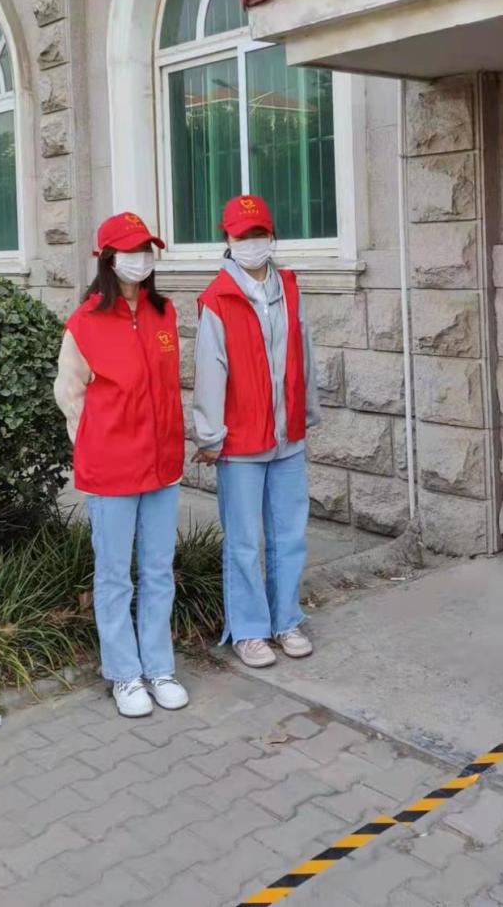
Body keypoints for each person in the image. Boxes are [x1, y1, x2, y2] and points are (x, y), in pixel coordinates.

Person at [54, 212, 187, 718]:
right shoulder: (85, 323)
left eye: (147, 250)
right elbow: (69, 394)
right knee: (114, 576)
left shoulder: (163, 313)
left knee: (158, 571)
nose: (141, 260)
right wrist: (96, 443)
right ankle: (124, 674)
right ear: (108, 259)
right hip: (112, 470)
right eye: (131, 251)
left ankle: (159, 667)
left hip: (163, 464)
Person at [193, 194, 321, 668]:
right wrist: (210, 436)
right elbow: (210, 369)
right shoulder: (217, 298)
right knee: (244, 542)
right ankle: (248, 631)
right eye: (242, 236)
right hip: (241, 442)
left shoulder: (289, 287)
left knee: (289, 536)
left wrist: (306, 411)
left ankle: (286, 620)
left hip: (287, 436)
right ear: (227, 239)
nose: (251, 243)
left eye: (259, 234)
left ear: (272, 236)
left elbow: (304, 351)